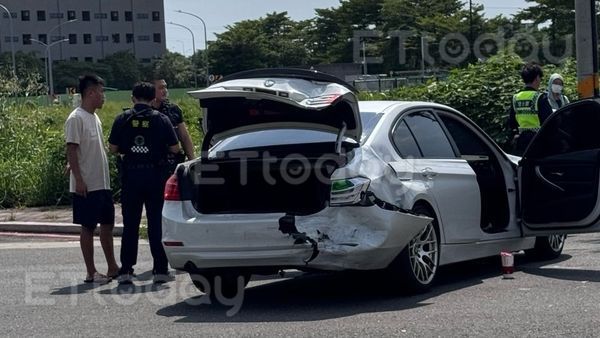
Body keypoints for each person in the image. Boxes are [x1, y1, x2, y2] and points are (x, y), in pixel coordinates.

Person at [108, 82, 180, 284]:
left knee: (130, 224)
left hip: (131, 177)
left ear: (133, 98)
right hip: (156, 177)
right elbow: (175, 148)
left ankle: (126, 270)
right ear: (152, 99)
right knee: (156, 223)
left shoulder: (122, 118)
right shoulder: (162, 119)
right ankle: (160, 269)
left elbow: (113, 148)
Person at [64, 74, 119, 284]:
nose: (104, 97)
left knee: (107, 223)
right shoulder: (76, 118)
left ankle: (112, 267)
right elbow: (71, 148)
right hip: (87, 183)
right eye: (101, 92)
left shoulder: (94, 116)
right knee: (87, 226)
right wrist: (78, 179)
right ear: (90, 93)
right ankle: (91, 272)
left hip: (102, 182)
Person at [507, 62, 553, 155]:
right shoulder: (540, 97)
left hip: (520, 143)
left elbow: (511, 122)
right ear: (536, 78)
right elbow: (549, 121)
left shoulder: (515, 97)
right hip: (538, 143)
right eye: (540, 78)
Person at [152, 79, 195, 173]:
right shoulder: (144, 112)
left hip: (171, 162)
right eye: (160, 88)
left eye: (165, 87)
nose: (165, 90)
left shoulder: (173, 110)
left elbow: (184, 137)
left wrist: (192, 161)